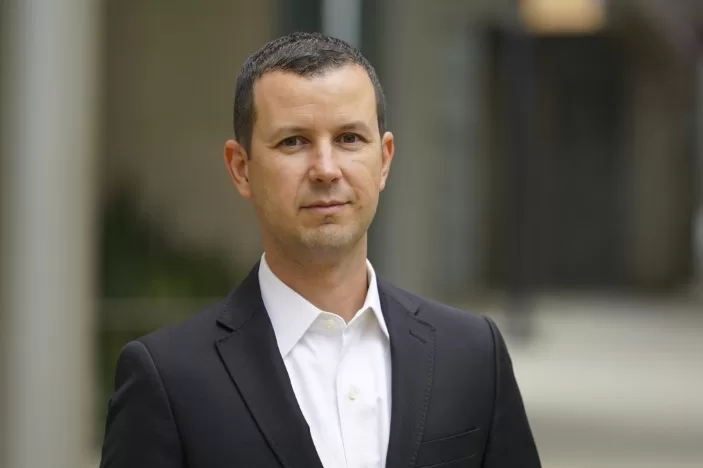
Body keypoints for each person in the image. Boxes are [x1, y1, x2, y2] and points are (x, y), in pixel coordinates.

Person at [99, 32, 541, 468]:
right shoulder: (168, 379)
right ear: (241, 168)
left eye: (349, 138)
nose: (326, 170)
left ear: (384, 159)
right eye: (293, 141)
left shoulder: (473, 354)